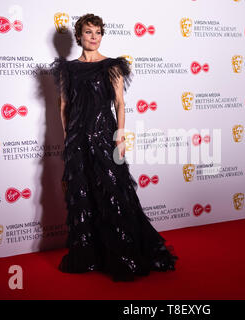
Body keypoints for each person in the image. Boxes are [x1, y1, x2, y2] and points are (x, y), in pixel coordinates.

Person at [50, 13, 178, 282]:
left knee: (113, 193)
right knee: (82, 194)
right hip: (77, 140)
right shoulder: (67, 69)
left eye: (98, 32)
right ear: (79, 36)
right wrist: (68, 138)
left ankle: (122, 255)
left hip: (105, 136)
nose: (94, 37)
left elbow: (119, 103)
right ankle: (88, 255)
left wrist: (119, 135)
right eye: (88, 32)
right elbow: (64, 107)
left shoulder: (112, 66)